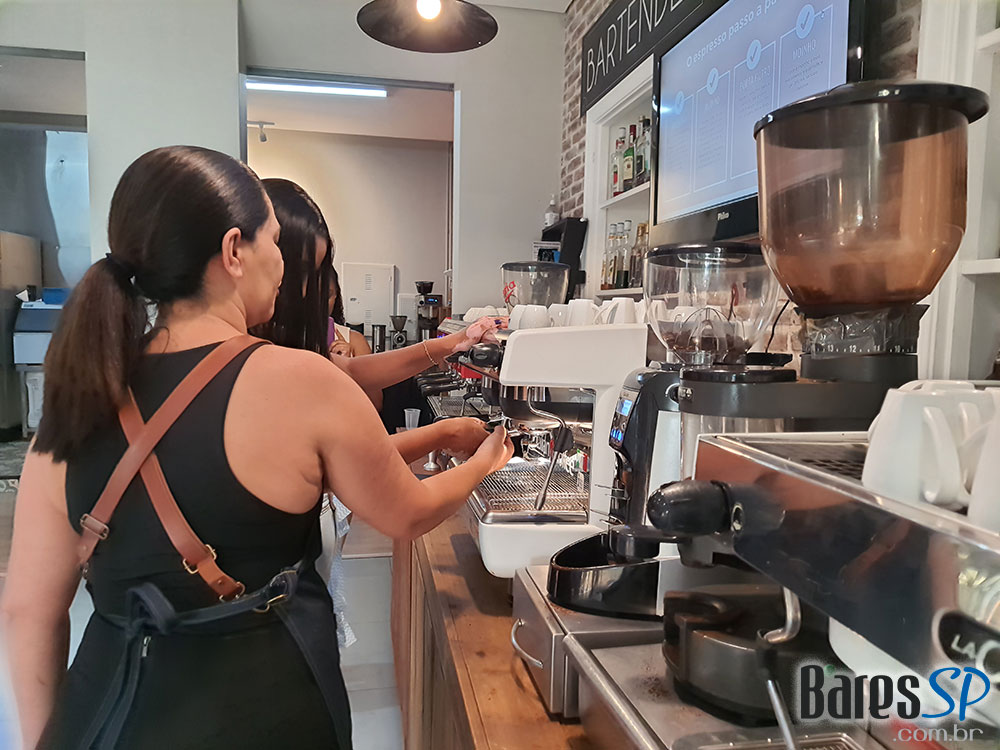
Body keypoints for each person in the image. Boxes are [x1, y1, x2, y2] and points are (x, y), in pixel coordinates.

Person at [0, 145, 513, 750]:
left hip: (107, 713)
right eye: (273, 241)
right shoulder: (301, 381)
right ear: (233, 252)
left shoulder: (80, 396)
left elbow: (28, 613)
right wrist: (489, 458)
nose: (284, 265)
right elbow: (407, 512)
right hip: (264, 707)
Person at [327, 269, 370, 359]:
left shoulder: (356, 342)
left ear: (335, 295)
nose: (319, 303)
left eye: (327, 295)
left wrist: (347, 363)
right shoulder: (294, 341)